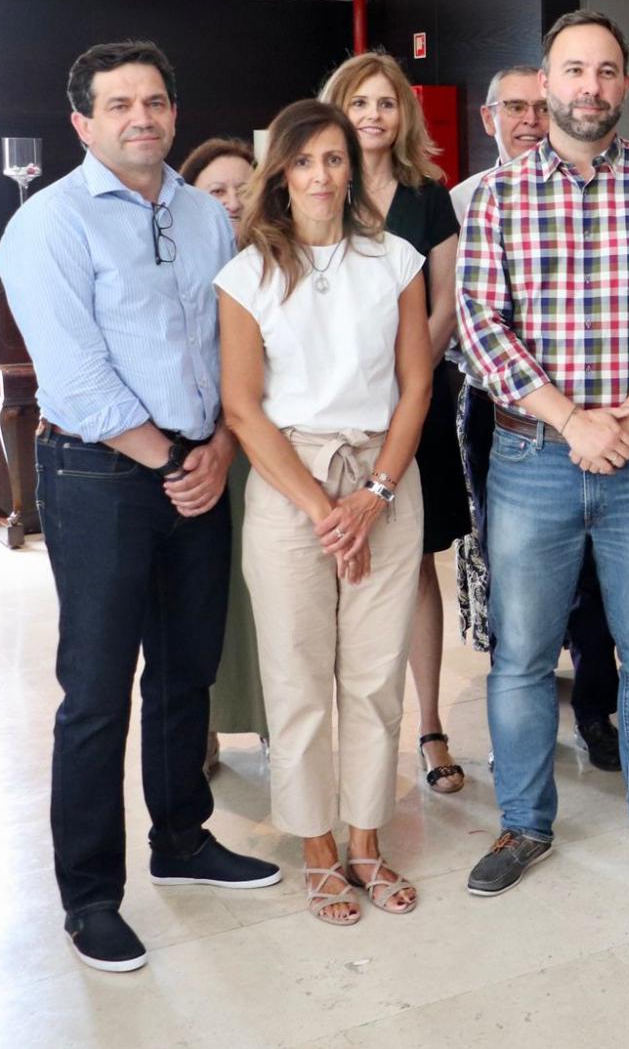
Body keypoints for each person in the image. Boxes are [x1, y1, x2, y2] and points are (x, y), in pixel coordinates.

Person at [0, 41, 279, 974]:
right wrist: (175, 461)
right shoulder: (48, 224)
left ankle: (183, 840)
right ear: (83, 123)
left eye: (154, 101)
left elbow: (237, 346)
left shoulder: (204, 215)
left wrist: (222, 446)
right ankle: (89, 898)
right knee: (96, 692)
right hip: (100, 477)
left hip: (200, 463)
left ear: (174, 112)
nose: (141, 118)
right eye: (118, 105)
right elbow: (76, 375)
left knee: (185, 672)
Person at [457, 9, 629, 895]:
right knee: (523, 656)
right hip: (532, 457)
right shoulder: (496, 194)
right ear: (546, 83)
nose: (590, 87)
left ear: (626, 84)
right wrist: (574, 421)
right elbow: (481, 328)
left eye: (606, 71)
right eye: (574, 70)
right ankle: (523, 824)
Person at [216, 98, 433, 926]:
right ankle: (316, 847)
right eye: (303, 161)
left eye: (334, 159)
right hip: (289, 482)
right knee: (297, 676)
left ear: (352, 170)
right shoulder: (248, 275)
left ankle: (367, 841)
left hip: (384, 473)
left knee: (375, 676)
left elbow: (416, 383)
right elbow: (243, 408)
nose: (320, 175)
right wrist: (323, 510)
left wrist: (373, 496)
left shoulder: (395, 259)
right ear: (281, 174)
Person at [449, 66, 623, 773]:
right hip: (500, 416)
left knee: (597, 572)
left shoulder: (604, 189)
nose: (527, 119)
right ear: (488, 118)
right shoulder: (466, 201)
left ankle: (595, 710)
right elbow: (464, 325)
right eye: (512, 107)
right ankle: (518, 725)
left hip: (599, 419)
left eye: (537, 106)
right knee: (513, 572)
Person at [319, 51, 472, 795]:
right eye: (360, 103)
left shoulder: (429, 196)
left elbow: (445, 306)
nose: (373, 115)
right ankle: (338, 734)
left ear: (403, 113)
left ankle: (431, 726)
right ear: (338, 110)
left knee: (412, 566)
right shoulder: (317, 188)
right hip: (328, 411)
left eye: (386, 103)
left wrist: (404, 386)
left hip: (415, 405)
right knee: (328, 566)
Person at [181, 138, 271, 766]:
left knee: (267, 592)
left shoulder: (283, 258)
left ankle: (275, 721)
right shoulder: (179, 264)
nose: (233, 202)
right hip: (200, 450)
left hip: (269, 447)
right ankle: (204, 727)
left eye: (245, 188)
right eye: (217, 191)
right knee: (201, 595)